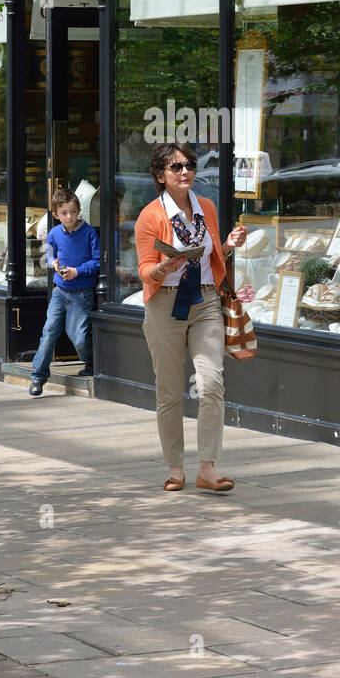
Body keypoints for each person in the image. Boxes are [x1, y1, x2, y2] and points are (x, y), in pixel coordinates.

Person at [135, 141, 247, 493]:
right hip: (164, 306)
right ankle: (175, 468)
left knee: (212, 382)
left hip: (205, 303)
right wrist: (161, 268)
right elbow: (143, 270)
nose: (185, 172)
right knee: (168, 391)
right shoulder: (151, 216)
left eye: (190, 165)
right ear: (160, 176)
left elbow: (214, 256)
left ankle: (208, 469)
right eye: (176, 167)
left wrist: (228, 244)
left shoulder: (207, 209)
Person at [29, 187, 100, 395]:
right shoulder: (53, 234)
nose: (69, 217)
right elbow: (49, 256)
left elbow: (97, 262)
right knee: (49, 331)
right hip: (60, 291)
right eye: (64, 213)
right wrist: (54, 264)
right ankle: (38, 377)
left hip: (81, 293)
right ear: (55, 215)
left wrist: (77, 271)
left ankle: (92, 364)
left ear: (79, 211)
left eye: (73, 211)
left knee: (77, 336)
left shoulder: (89, 233)